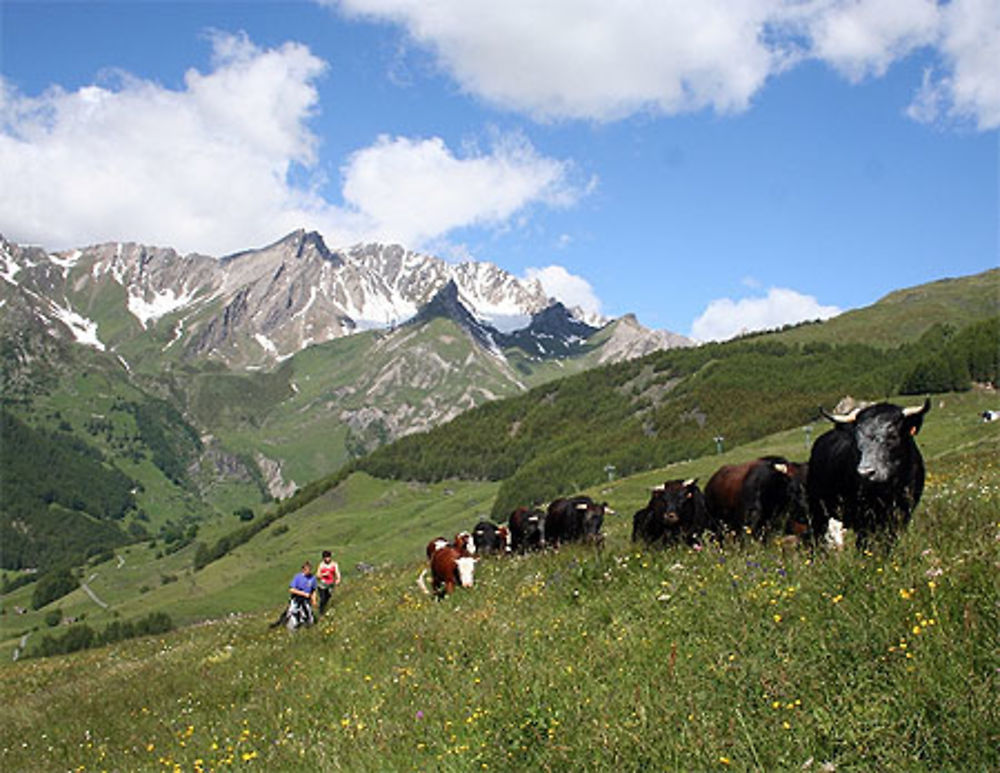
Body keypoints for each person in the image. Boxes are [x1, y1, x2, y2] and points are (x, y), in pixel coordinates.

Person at [286, 560, 317, 630]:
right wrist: (303, 593)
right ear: (303, 569)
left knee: (308, 615)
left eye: (309, 570)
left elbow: (313, 590)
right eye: (306, 570)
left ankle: (308, 628)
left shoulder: (312, 578)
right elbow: (291, 589)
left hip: (306, 600)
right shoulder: (297, 577)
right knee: (293, 613)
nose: (308, 571)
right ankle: (292, 629)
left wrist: (314, 600)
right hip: (296, 599)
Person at [316, 550, 341, 615]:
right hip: (322, 584)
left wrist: (338, 579)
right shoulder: (321, 565)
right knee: (323, 598)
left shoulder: (334, 564)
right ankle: (321, 611)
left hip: (330, 584)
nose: (327, 559)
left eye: (328, 557)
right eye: (326, 557)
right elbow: (317, 575)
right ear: (323, 558)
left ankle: (324, 607)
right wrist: (324, 574)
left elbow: (337, 573)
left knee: (328, 596)